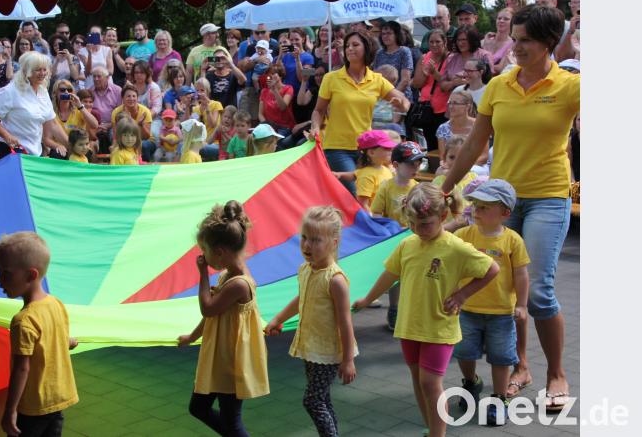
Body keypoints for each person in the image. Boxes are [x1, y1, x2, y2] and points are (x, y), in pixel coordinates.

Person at [441, 5, 579, 412]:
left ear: (549, 44)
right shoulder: (500, 84)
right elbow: (474, 145)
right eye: (513, 39)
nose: (514, 48)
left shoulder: (572, 86)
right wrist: (442, 188)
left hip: (548, 196)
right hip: (500, 200)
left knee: (537, 290)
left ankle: (557, 372)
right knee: (501, 286)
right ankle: (520, 366)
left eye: (524, 41)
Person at [352, 183, 499, 437]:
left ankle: (438, 434)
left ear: (443, 216)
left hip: (438, 326)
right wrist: (367, 299)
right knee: (419, 381)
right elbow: (390, 275)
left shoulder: (455, 246)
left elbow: (491, 269)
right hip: (409, 326)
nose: (418, 230)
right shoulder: (407, 244)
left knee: (430, 382)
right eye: (413, 224)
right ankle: (431, 428)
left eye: (425, 224)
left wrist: (463, 294)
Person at [178, 200, 269, 436]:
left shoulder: (238, 284)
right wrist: (192, 336)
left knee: (231, 420)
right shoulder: (230, 274)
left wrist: (202, 275)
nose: (203, 256)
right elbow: (215, 315)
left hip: (231, 363)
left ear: (219, 252)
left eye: (204, 251)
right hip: (220, 358)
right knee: (198, 407)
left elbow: (208, 309)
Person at [265, 206, 358, 437]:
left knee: (313, 400)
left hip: (328, 351)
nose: (307, 245)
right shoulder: (305, 270)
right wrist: (278, 319)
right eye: (304, 238)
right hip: (311, 346)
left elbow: (345, 323)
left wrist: (348, 360)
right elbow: (302, 298)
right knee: (322, 398)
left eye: (316, 240)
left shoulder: (335, 280)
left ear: (333, 243)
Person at [452, 179, 530, 426]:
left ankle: (498, 398)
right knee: (464, 351)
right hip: (467, 309)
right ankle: (471, 382)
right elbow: (450, 264)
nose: (477, 210)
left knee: (501, 357)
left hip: (501, 312)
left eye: (485, 207)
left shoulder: (512, 240)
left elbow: (521, 274)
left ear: (505, 213)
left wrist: (522, 305)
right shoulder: (463, 235)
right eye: (476, 204)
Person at [0, 231, 78, 437]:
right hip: (57, 398)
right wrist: (67, 342)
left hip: (33, 406)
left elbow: (22, 368)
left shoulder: (23, 321)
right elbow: (56, 338)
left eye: (5, 273)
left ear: (31, 275)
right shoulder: (55, 303)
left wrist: (10, 410)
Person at [310, 31, 410, 195]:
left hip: (366, 149)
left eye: (355, 45)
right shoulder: (331, 78)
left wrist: (402, 104)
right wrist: (315, 127)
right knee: (356, 193)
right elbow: (318, 110)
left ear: (367, 49)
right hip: (337, 148)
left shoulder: (376, 79)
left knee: (368, 194)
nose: (349, 49)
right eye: (347, 45)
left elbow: (404, 102)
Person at [370, 142, 425, 329]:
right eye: (410, 164)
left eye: (418, 163)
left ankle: (411, 311)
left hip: (414, 239)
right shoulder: (386, 187)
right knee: (396, 277)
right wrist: (390, 229)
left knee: (414, 278)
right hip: (393, 240)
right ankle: (394, 308)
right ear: (395, 165)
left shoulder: (417, 188)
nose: (415, 168)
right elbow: (376, 213)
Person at [0, 51, 69, 159]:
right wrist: (8, 137)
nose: (42, 73)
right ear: (26, 71)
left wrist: (71, 147)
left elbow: (52, 123)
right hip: (11, 149)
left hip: (35, 149)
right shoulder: (9, 91)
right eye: (38, 70)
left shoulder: (43, 91)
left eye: (44, 69)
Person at [332, 130, 396, 212]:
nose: (391, 151)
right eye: (386, 148)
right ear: (371, 152)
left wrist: (339, 174)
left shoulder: (385, 169)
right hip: (377, 219)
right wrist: (373, 221)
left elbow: (355, 175)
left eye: (390, 148)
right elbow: (362, 203)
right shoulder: (366, 175)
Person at [409, 29, 451, 151]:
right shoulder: (424, 58)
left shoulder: (451, 58)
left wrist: (434, 72)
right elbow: (416, 84)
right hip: (427, 108)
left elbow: (448, 83)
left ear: (444, 42)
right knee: (431, 144)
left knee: (445, 144)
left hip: (444, 109)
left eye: (437, 41)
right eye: (431, 42)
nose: (434, 45)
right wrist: (425, 73)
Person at [237, 24, 279, 124]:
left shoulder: (276, 46)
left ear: (270, 31)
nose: (260, 35)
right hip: (254, 89)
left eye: (263, 32)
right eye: (256, 32)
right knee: (253, 120)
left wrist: (270, 66)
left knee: (273, 120)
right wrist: (256, 60)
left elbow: (281, 66)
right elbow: (244, 68)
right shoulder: (252, 47)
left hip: (273, 88)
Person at [440, 26, 494, 97]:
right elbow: (442, 86)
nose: (460, 43)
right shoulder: (451, 58)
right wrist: (453, 83)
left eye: (464, 40)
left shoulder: (484, 56)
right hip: (456, 101)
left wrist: (469, 80)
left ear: (472, 40)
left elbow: (490, 82)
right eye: (458, 40)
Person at [111, 84, 154, 161]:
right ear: (123, 98)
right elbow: (116, 134)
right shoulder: (116, 112)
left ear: (137, 98)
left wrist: (140, 125)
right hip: (126, 139)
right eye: (128, 96)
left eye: (134, 96)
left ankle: (144, 164)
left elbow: (146, 137)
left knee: (142, 145)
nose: (131, 98)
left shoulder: (145, 111)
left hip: (145, 141)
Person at [374, 21, 415, 102]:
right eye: (383, 34)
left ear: (397, 34)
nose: (385, 36)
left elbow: (405, 80)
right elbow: (376, 77)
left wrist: (391, 96)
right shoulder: (379, 53)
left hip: (400, 99)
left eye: (389, 33)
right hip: (382, 99)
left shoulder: (404, 51)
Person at [436, 90, 476, 161]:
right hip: (451, 165)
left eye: (455, 103)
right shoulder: (443, 128)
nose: (451, 106)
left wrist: (464, 166)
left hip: (475, 164)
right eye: (450, 103)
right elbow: (443, 156)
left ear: (467, 106)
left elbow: (484, 156)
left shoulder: (477, 125)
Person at [258, 64, 296, 139]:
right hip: (269, 126)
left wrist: (274, 90)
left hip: (284, 127)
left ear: (280, 76)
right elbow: (260, 114)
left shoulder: (288, 88)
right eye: (269, 74)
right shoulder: (264, 91)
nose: (270, 76)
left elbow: (283, 107)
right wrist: (267, 127)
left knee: (276, 143)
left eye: (273, 73)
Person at [88, 66, 122, 142]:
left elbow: (121, 113)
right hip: (94, 126)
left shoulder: (117, 91)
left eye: (99, 76)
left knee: (114, 136)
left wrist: (109, 125)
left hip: (113, 125)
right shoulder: (89, 92)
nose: (96, 79)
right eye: (94, 76)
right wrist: (97, 126)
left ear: (107, 78)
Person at [193, 78, 224, 160]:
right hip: (200, 143)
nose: (200, 93)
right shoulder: (195, 109)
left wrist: (207, 106)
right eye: (197, 90)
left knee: (196, 148)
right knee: (183, 145)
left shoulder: (216, 104)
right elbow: (193, 128)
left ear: (208, 91)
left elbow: (213, 124)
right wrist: (188, 107)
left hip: (215, 144)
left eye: (202, 90)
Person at [482, 8, 515, 74]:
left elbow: (500, 68)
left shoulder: (512, 44)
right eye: (499, 18)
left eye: (506, 19)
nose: (501, 21)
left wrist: (486, 48)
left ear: (512, 22)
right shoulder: (485, 41)